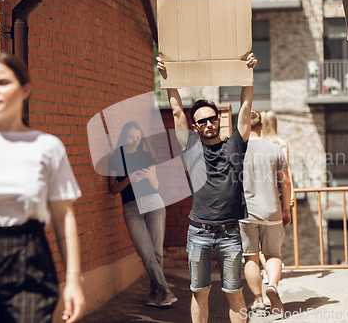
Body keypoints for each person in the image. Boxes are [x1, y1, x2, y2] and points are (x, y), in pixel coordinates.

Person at [0, 52, 85, 323]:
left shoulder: (47, 147)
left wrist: (73, 281)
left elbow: (63, 216)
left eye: (2, 82)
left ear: (25, 90)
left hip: (29, 256)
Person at [157, 53, 258, 323]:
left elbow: (246, 109)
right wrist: (166, 77)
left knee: (235, 293)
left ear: (219, 120)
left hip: (229, 233)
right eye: (201, 121)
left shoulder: (235, 144)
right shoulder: (191, 148)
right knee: (199, 293)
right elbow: (177, 111)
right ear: (195, 127)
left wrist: (248, 74)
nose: (208, 124)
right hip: (199, 232)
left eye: (211, 118)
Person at [108, 121, 177, 307]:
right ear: (124, 137)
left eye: (138, 138)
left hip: (153, 203)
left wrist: (148, 176)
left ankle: (155, 293)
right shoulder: (116, 158)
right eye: (131, 137)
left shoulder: (146, 156)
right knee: (146, 253)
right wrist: (130, 178)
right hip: (131, 208)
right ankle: (165, 290)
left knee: (156, 252)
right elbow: (113, 189)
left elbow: (156, 186)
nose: (135, 141)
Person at [240, 110, 292, 316]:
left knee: (251, 258)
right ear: (261, 127)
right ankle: (272, 285)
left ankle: (259, 302)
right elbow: (285, 181)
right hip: (272, 211)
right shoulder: (274, 149)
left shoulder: (237, 150)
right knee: (273, 254)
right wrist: (285, 208)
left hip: (246, 212)